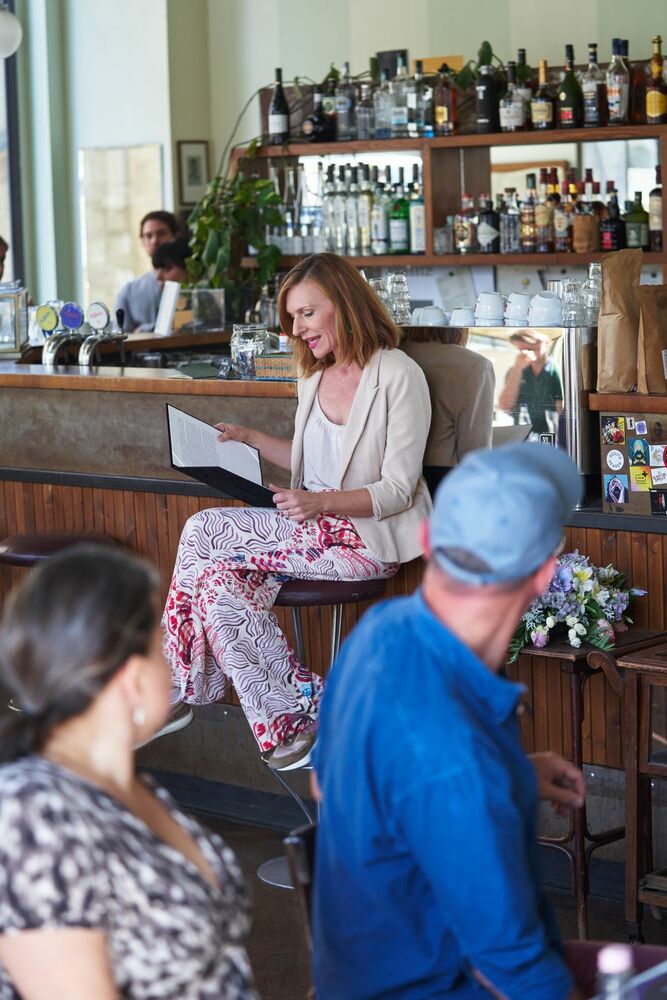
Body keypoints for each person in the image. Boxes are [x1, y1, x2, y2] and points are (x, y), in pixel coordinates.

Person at [312, 442, 586, 1000]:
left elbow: (326, 782)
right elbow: (513, 972)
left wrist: (511, 773)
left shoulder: (379, 630)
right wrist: (478, 787)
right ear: (543, 576)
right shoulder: (458, 762)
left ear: (428, 539)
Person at [163, 253, 432, 771]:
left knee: (205, 528)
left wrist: (318, 502)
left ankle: (178, 684)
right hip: (311, 532)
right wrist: (251, 441)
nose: (297, 328)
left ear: (344, 304)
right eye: (292, 317)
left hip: (363, 542)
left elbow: (397, 490)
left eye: (307, 313)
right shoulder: (313, 376)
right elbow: (313, 460)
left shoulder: (398, 374)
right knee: (218, 585)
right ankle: (294, 722)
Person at [0, 545, 256, 999]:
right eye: (163, 645)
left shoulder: (126, 785)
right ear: (132, 677)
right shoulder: (33, 814)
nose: (175, 660)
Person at [400, 326, 495, 496]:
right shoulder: (475, 365)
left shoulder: (390, 355)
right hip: (443, 482)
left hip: (389, 478)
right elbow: (475, 452)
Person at [115, 210, 178, 331]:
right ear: (143, 242)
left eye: (161, 233)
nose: (155, 241)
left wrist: (142, 329)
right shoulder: (128, 292)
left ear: (175, 236)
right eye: (148, 236)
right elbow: (121, 337)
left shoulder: (192, 282)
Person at [498, 330, 563, 436]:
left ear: (546, 344)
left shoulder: (555, 370)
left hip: (548, 436)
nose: (527, 353)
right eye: (522, 350)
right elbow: (505, 406)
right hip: (521, 437)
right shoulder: (514, 371)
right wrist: (517, 369)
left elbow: (561, 409)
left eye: (532, 348)